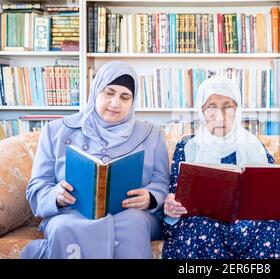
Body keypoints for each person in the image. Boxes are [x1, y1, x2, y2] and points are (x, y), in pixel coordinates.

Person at [20, 61, 170, 259]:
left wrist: (150, 198)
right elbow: (37, 186)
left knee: (134, 224)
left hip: (131, 214)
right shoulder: (55, 131)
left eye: (125, 97)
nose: (115, 103)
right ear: (95, 91)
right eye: (109, 93)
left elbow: (162, 181)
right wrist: (56, 195)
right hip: (71, 213)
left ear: (133, 102)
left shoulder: (152, 135)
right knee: (63, 226)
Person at [162, 76, 280, 259]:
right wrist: (171, 206)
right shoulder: (187, 146)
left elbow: (275, 196)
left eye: (228, 106)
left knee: (274, 229)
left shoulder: (255, 145)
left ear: (237, 110)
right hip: (203, 222)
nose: (219, 115)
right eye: (211, 106)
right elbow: (176, 196)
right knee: (199, 227)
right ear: (201, 110)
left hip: (248, 224)